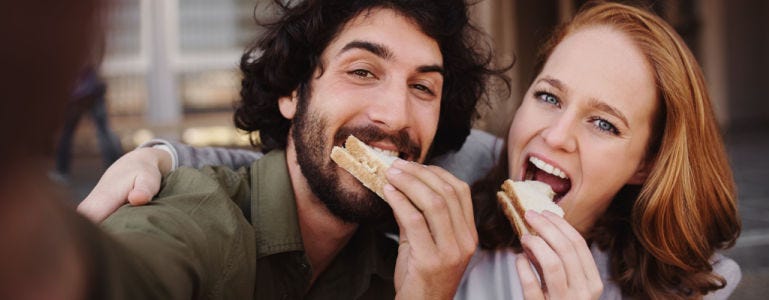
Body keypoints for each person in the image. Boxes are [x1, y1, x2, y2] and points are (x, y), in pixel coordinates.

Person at [79, 1, 742, 299]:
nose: (555, 135)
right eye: (547, 96)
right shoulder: (469, 185)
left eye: (605, 125)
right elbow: (268, 183)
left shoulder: (689, 286)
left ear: (650, 162)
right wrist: (164, 160)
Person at [84, 0, 513, 298]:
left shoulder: (401, 270)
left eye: (422, 87)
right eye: (363, 71)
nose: (396, 115)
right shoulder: (192, 222)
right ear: (293, 92)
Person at [49, 24, 123, 184]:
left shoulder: (67, 38)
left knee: (68, 133)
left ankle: (62, 171)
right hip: (91, 90)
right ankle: (117, 169)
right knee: (102, 131)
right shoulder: (86, 35)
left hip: (76, 94)